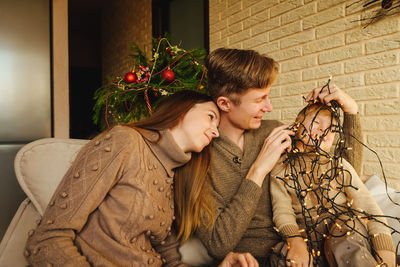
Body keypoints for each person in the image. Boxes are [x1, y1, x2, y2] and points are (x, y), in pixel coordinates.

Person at [24, 90, 259, 267]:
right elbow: (47, 241)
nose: (215, 131)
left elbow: (170, 261)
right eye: (210, 117)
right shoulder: (125, 141)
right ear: (181, 110)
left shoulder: (177, 174)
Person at [194, 48, 363, 266]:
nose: (269, 107)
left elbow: (343, 176)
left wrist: (351, 112)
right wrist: (258, 170)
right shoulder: (201, 155)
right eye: (259, 99)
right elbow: (218, 243)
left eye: (268, 96)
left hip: (312, 247)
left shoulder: (275, 132)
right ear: (225, 104)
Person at [270, 102, 395, 267]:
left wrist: (386, 255)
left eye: (332, 129)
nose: (324, 131)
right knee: (282, 256)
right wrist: (295, 241)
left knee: (346, 238)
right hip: (305, 233)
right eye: (316, 123)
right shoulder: (281, 169)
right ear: (296, 127)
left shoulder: (338, 165)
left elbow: (369, 209)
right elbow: (282, 212)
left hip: (343, 224)